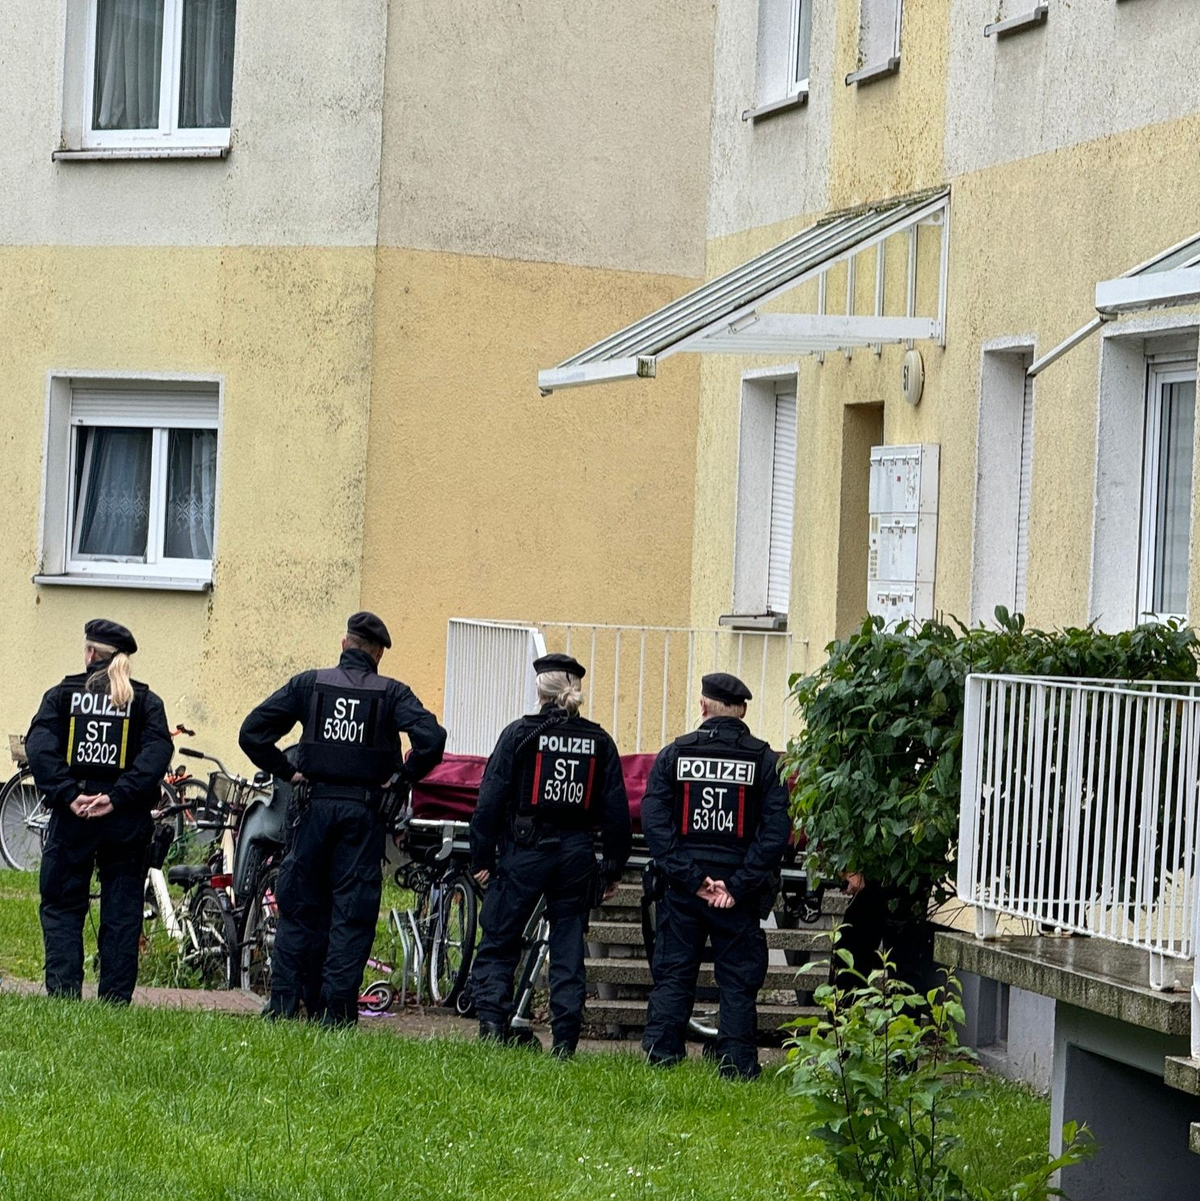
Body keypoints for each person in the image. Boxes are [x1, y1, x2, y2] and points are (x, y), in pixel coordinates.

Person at [239, 612, 446, 1025]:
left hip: (312, 810)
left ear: (343, 643)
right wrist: (403, 776)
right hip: (363, 816)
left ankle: (283, 1004)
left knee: (300, 908)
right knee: (350, 913)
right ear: (378, 653)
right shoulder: (391, 693)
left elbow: (252, 732)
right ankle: (337, 1012)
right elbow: (432, 738)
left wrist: (286, 770)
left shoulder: (309, 684)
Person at [469, 652, 631, 1058]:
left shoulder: (519, 735)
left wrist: (481, 860)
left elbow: (488, 801)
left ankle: (492, 1026)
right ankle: (564, 1042)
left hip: (524, 851)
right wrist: (612, 868)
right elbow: (616, 810)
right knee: (568, 946)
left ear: (539, 689)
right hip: (576, 854)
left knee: (500, 937)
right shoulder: (598, 741)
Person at [639, 672, 791, 1080]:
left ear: (704, 707)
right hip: (736, 896)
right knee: (738, 982)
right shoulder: (763, 760)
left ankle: (662, 1058)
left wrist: (692, 880)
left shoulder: (675, 754)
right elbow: (775, 833)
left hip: (684, 891)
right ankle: (737, 1065)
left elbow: (654, 823)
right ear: (741, 711)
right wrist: (737, 885)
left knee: (674, 974)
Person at [25, 619, 173, 1004]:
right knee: (122, 911)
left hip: (73, 819)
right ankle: (114, 1001)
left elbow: (39, 745)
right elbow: (156, 755)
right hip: (124, 822)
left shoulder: (63, 695)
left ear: (91, 653)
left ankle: (62, 995)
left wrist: (68, 794)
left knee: (61, 904)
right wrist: (118, 797)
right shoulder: (146, 702)